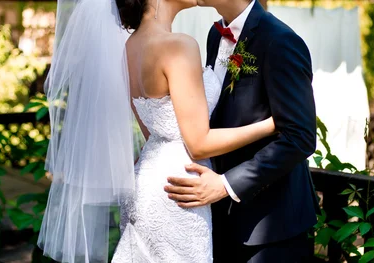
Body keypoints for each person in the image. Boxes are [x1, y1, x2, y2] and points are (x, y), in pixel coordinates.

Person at [36, 0, 277, 262]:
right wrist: (272, 124)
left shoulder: (129, 48)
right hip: (180, 187)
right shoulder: (178, 46)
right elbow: (198, 143)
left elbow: (152, 131)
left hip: (147, 183)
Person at [164, 0, 319, 262]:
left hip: (272, 227)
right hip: (222, 221)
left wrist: (225, 185)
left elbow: (300, 136)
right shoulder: (214, 35)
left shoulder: (281, 41)